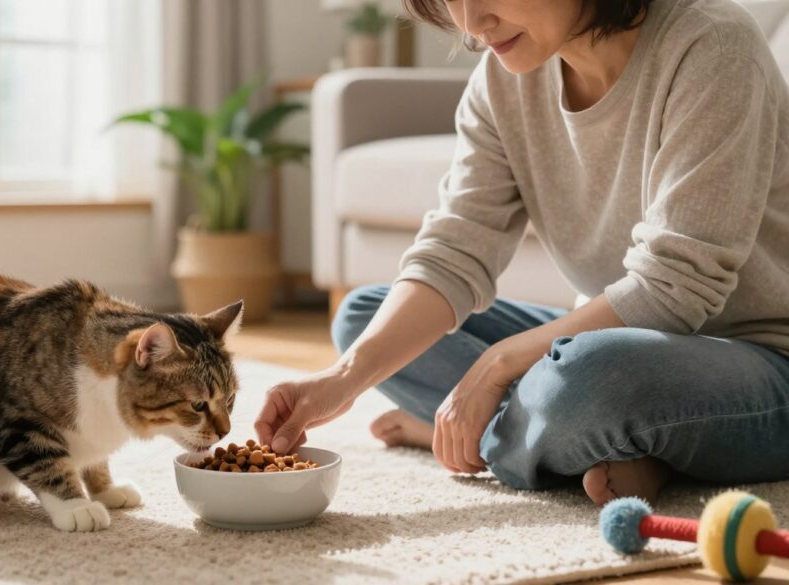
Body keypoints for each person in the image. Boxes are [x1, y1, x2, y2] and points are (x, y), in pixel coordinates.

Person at [255, 0, 789, 506]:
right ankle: (575, 441)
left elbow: (675, 288)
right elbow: (454, 250)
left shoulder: (713, 48)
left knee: (586, 377)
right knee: (363, 317)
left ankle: (508, 436)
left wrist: (498, 366)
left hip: (764, 361)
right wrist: (342, 379)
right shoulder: (502, 79)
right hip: (617, 345)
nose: (470, 24)